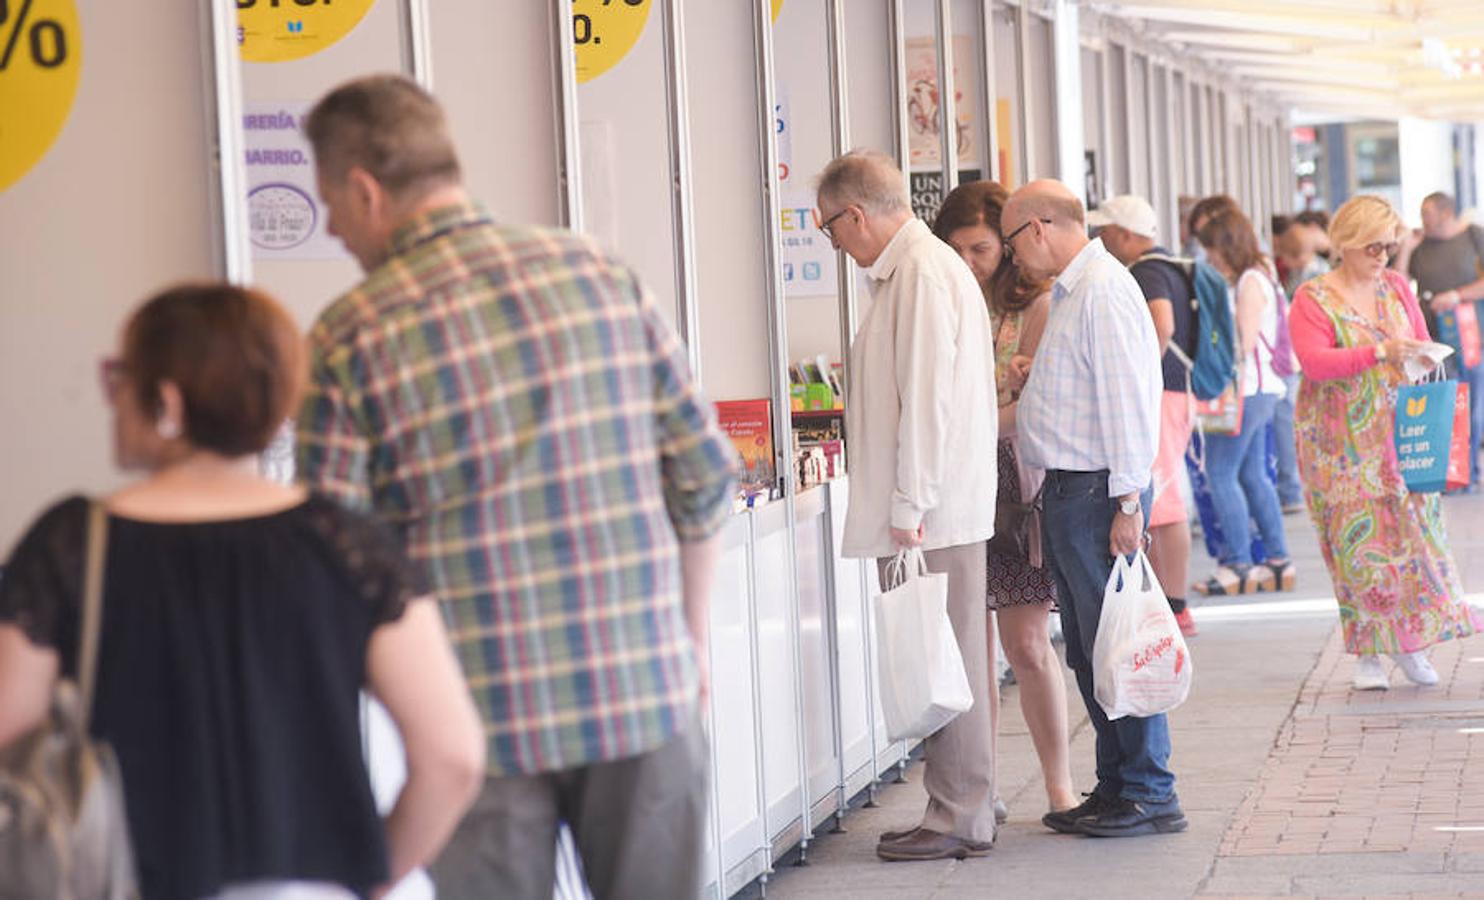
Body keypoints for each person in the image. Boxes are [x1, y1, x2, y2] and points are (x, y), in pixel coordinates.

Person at [295, 75, 738, 898]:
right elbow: (706, 474)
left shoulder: (350, 334)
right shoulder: (598, 274)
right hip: (642, 692)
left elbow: (336, 560)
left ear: (364, 189)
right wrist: (690, 638)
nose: (332, 225)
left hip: (478, 729)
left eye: (330, 203)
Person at [0, 284, 485, 900]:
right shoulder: (349, 546)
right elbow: (453, 757)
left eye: (120, 375)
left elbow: (8, 731)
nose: (112, 397)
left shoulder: (72, 544)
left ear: (167, 400)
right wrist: (373, 874)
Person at [817, 150, 999, 861]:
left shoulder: (919, 273)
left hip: (930, 510)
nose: (833, 242)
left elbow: (927, 400)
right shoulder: (915, 272)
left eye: (832, 227)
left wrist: (908, 503)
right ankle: (964, 801)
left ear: (855, 215)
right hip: (931, 505)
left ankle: (959, 811)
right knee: (950, 654)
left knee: (941, 657)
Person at [1004, 179, 1185, 838]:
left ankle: (1146, 787)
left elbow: (1128, 402)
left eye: (1011, 242)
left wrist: (1129, 503)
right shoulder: (1077, 292)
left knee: (1119, 642)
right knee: (1088, 646)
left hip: (1096, 491)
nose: (1014, 259)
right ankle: (1116, 785)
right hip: (1073, 490)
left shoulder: (1103, 291)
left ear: (1039, 228)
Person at [1290, 195, 1483, 691]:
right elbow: (1314, 363)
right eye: (1373, 246)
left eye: (1389, 246)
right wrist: (1378, 351)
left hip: (1402, 436)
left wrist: (1416, 356)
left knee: (1414, 539)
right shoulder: (1314, 298)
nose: (1382, 256)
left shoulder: (1395, 287)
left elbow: (1418, 340)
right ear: (1347, 243)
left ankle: (1410, 642)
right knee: (1357, 549)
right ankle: (1369, 652)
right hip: (1338, 446)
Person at [932, 180, 1077, 818]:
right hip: (956, 480)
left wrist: (967, 425)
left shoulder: (1038, 306)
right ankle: (979, 789)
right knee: (970, 649)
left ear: (1012, 243)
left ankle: (1059, 784)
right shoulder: (940, 302)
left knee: (1026, 644)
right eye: (956, 249)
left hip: (1013, 483)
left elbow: (1034, 410)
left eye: (982, 248)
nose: (968, 262)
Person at [1091, 194, 1199, 637]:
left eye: (1107, 231)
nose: (1101, 238)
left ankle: (1175, 606)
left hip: (1164, 393)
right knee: (1163, 497)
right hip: (1175, 392)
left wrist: (1141, 380)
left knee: (1166, 500)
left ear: (1127, 234)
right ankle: (1170, 603)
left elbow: (1163, 324)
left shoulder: (1149, 270)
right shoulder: (1167, 263)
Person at [1190, 208, 1295, 595]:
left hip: (1247, 389)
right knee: (1251, 475)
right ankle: (1278, 561)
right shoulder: (1259, 275)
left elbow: (1242, 343)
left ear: (1228, 245)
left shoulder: (1250, 280)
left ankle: (1238, 564)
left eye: (1213, 249)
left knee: (1220, 473)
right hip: (1261, 388)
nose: (1210, 257)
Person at [1394, 192, 1484, 489]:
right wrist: (1406, 248)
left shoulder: (1474, 237)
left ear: (1445, 213)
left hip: (1472, 338)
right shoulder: (1422, 247)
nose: (1422, 221)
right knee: (1442, 405)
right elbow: (1397, 283)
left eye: (1427, 214)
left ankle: (1469, 473)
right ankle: (1445, 473)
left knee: (1472, 407)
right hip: (1434, 341)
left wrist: (1456, 295)